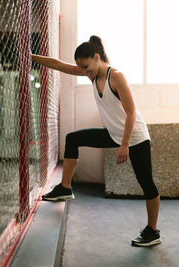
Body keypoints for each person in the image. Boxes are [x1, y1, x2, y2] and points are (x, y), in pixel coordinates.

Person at [31, 35, 161, 247]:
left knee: (146, 184)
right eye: (81, 68)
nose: (84, 72)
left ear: (97, 58)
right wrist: (30, 56)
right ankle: (65, 188)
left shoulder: (116, 76)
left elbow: (131, 112)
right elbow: (58, 65)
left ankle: (153, 231)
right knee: (73, 139)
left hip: (135, 138)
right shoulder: (91, 74)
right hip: (112, 133)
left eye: (87, 67)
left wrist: (125, 144)